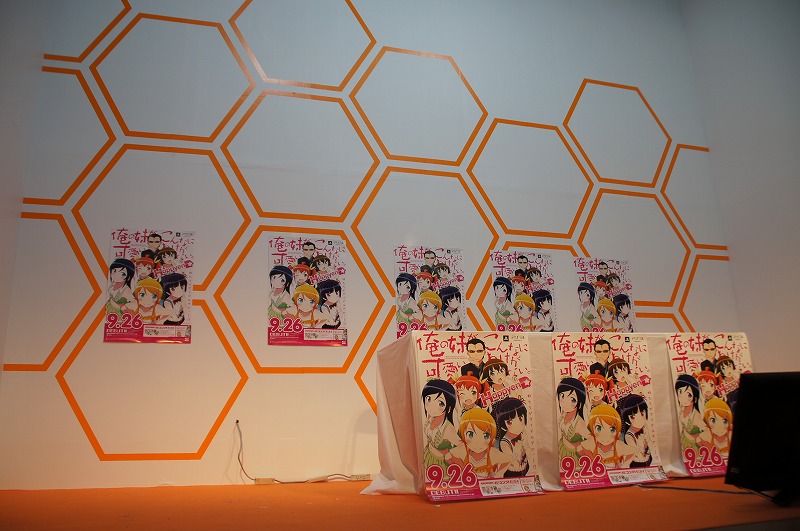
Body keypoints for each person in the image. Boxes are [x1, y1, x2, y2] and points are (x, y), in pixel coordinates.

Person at [447, 408, 511, 479]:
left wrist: (498, 475)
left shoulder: (491, 453)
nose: (478, 442)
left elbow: (508, 460)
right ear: (463, 434)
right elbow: (448, 456)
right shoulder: (463, 449)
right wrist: (461, 468)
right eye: (470, 435)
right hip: (467, 483)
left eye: (486, 436)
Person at [421, 379, 460, 475]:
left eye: (440, 403)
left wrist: (449, 454)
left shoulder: (448, 429)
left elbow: (461, 446)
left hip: (442, 463)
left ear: (449, 408)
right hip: (428, 454)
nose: (432, 406)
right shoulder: (430, 417)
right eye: (428, 399)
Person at [586, 403, 634, 469]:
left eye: (612, 430)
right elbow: (581, 447)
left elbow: (632, 451)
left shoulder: (618, 445)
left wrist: (625, 465)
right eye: (599, 428)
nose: (605, 435)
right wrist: (592, 459)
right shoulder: (592, 441)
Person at [557, 377, 591, 462]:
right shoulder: (563, 415)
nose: (565, 402)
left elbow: (590, 439)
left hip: (574, 455)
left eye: (572, 400)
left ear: (580, 404)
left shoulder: (579, 423)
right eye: (562, 396)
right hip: (562, 448)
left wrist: (579, 446)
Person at [496, 398, 530, 477]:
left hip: (525, 468)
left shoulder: (523, 434)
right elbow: (513, 463)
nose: (517, 425)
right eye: (510, 422)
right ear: (503, 425)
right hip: (513, 473)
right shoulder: (504, 442)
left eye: (520, 418)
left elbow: (529, 451)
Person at [618, 394, 652, 467]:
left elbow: (649, 441)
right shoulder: (629, 436)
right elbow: (638, 454)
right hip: (638, 463)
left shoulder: (645, 426)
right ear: (627, 420)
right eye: (633, 417)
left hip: (649, 459)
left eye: (642, 414)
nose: (639, 419)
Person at [675, 374, 705, 453]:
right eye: (680, 391)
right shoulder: (681, 410)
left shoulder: (696, 415)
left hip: (694, 444)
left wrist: (698, 438)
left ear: (695, 398)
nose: (683, 397)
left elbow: (704, 429)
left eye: (689, 394)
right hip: (684, 439)